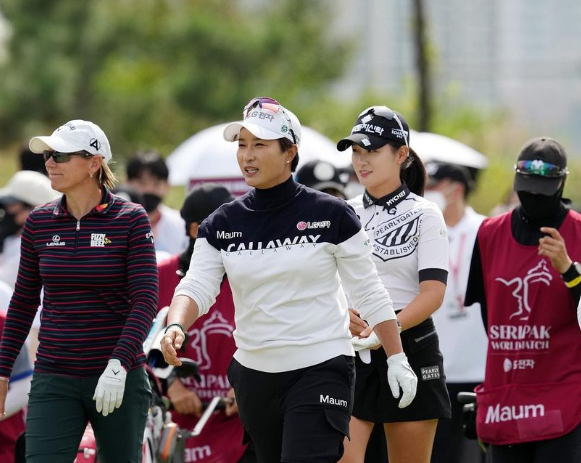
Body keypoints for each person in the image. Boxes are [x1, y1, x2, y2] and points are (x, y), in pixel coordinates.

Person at [160, 96, 418, 463]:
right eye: (242, 145)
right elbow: (196, 286)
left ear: (289, 152)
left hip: (322, 366)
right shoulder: (221, 223)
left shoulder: (333, 214)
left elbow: (368, 290)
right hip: (255, 374)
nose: (247, 155)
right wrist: (176, 325)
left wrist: (396, 357)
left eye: (260, 145)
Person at [0, 119, 159, 463]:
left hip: (118, 375)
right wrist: (2, 369)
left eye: (60, 155)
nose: (49, 163)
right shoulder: (39, 222)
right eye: (48, 155)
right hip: (54, 376)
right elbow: (24, 302)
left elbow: (145, 300)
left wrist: (119, 363)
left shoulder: (130, 219)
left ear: (93, 163)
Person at [336, 105, 451, 463]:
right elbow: (328, 283)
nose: (361, 160)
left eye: (371, 150)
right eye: (356, 151)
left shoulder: (425, 213)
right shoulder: (343, 212)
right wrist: (342, 315)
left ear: (401, 154)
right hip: (351, 349)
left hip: (411, 346)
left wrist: (387, 329)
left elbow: (433, 293)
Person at [465, 137, 581, 462]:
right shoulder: (489, 233)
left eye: (543, 190)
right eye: (527, 189)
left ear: (562, 183)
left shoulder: (578, 233)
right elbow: (488, 312)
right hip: (507, 399)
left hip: (564, 398)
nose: (534, 196)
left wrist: (569, 270)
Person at [157, 183, 255, 463]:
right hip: (173, 424)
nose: (235, 230)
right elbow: (140, 339)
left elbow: (270, 333)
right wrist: (171, 385)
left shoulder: (250, 275)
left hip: (238, 420)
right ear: (194, 230)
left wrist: (246, 385)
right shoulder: (160, 276)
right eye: (225, 222)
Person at [424, 162, 487, 463]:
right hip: (436, 366)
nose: (427, 193)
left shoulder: (485, 230)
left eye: (433, 186)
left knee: (478, 453)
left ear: (456, 189)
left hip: (480, 366)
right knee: (439, 453)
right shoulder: (423, 230)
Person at [0, 170, 60, 288]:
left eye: (11, 205)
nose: (7, 211)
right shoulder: (12, 240)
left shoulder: (33, 249)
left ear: (33, 209)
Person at [126, 150, 187, 261]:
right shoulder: (113, 225)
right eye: (142, 183)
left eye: (156, 184)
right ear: (127, 183)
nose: (149, 190)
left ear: (167, 186)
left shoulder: (182, 225)